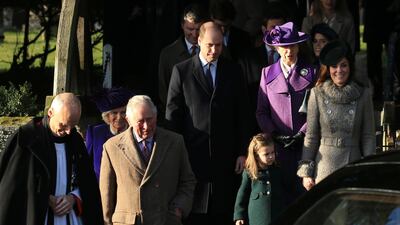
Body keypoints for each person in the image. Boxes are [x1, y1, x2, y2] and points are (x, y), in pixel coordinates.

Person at [166, 21, 249, 224]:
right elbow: (173, 116)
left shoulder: (233, 70)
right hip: (193, 157)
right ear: (199, 40)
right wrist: (177, 155)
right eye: (210, 45)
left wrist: (242, 151)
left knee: (223, 212)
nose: (214, 50)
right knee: (195, 215)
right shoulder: (182, 71)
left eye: (219, 45)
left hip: (226, 158)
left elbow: (243, 113)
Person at [0, 93, 103, 225]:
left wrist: (74, 197)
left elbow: (87, 183)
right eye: (63, 125)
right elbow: (13, 186)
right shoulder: (27, 139)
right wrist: (46, 198)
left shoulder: (75, 141)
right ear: (50, 112)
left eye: (73, 126)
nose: (68, 132)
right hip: (36, 216)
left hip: (71, 217)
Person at [100, 95, 196, 225]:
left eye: (150, 119)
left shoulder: (175, 142)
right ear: (128, 120)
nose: (146, 126)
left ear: (156, 116)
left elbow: (188, 180)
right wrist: (107, 221)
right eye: (140, 121)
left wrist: (179, 208)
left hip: (165, 220)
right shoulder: (112, 147)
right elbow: (107, 192)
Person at [297, 40, 376, 190]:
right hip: (324, 165)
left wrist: (368, 168)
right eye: (334, 66)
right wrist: (306, 172)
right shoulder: (317, 93)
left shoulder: (363, 94)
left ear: (350, 67)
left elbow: (368, 136)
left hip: (352, 163)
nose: (339, 70)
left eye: (344, 65)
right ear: (328, 69)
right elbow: (311, 135)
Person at [256, 21, 317, 205]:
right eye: (283, 47)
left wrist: (302, 133)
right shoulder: (267, 73)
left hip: (305, 148)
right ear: (276, 48)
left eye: (292, 46)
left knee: (305, 202)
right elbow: (261, 111)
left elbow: (317, 111)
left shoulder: (312, 72)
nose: (288, 51)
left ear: (298, 46)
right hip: (277, 151)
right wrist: (274, 134)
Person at [158, 3, 208, 118]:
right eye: (190, 29)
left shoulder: (216, 50)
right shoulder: (168, 54)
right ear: (182, 25)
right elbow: (164, 91)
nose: (195, 34)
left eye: (198, 29)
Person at [233, 133, 284, 225]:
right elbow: (242, 194)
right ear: (256, 155)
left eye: (272, 152)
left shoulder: (278, 170)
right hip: (257, 217)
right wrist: (239, 216)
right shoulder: (249, 172)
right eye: (266, 154)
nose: (271, 156)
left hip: (278, 214)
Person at [85, 87, 134, 180]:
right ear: (107, 115)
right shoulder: (95, 133)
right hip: (99, 190)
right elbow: (85, 165)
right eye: (114, 113)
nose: (119, 117)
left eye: (123, 112)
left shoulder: (135, 133)